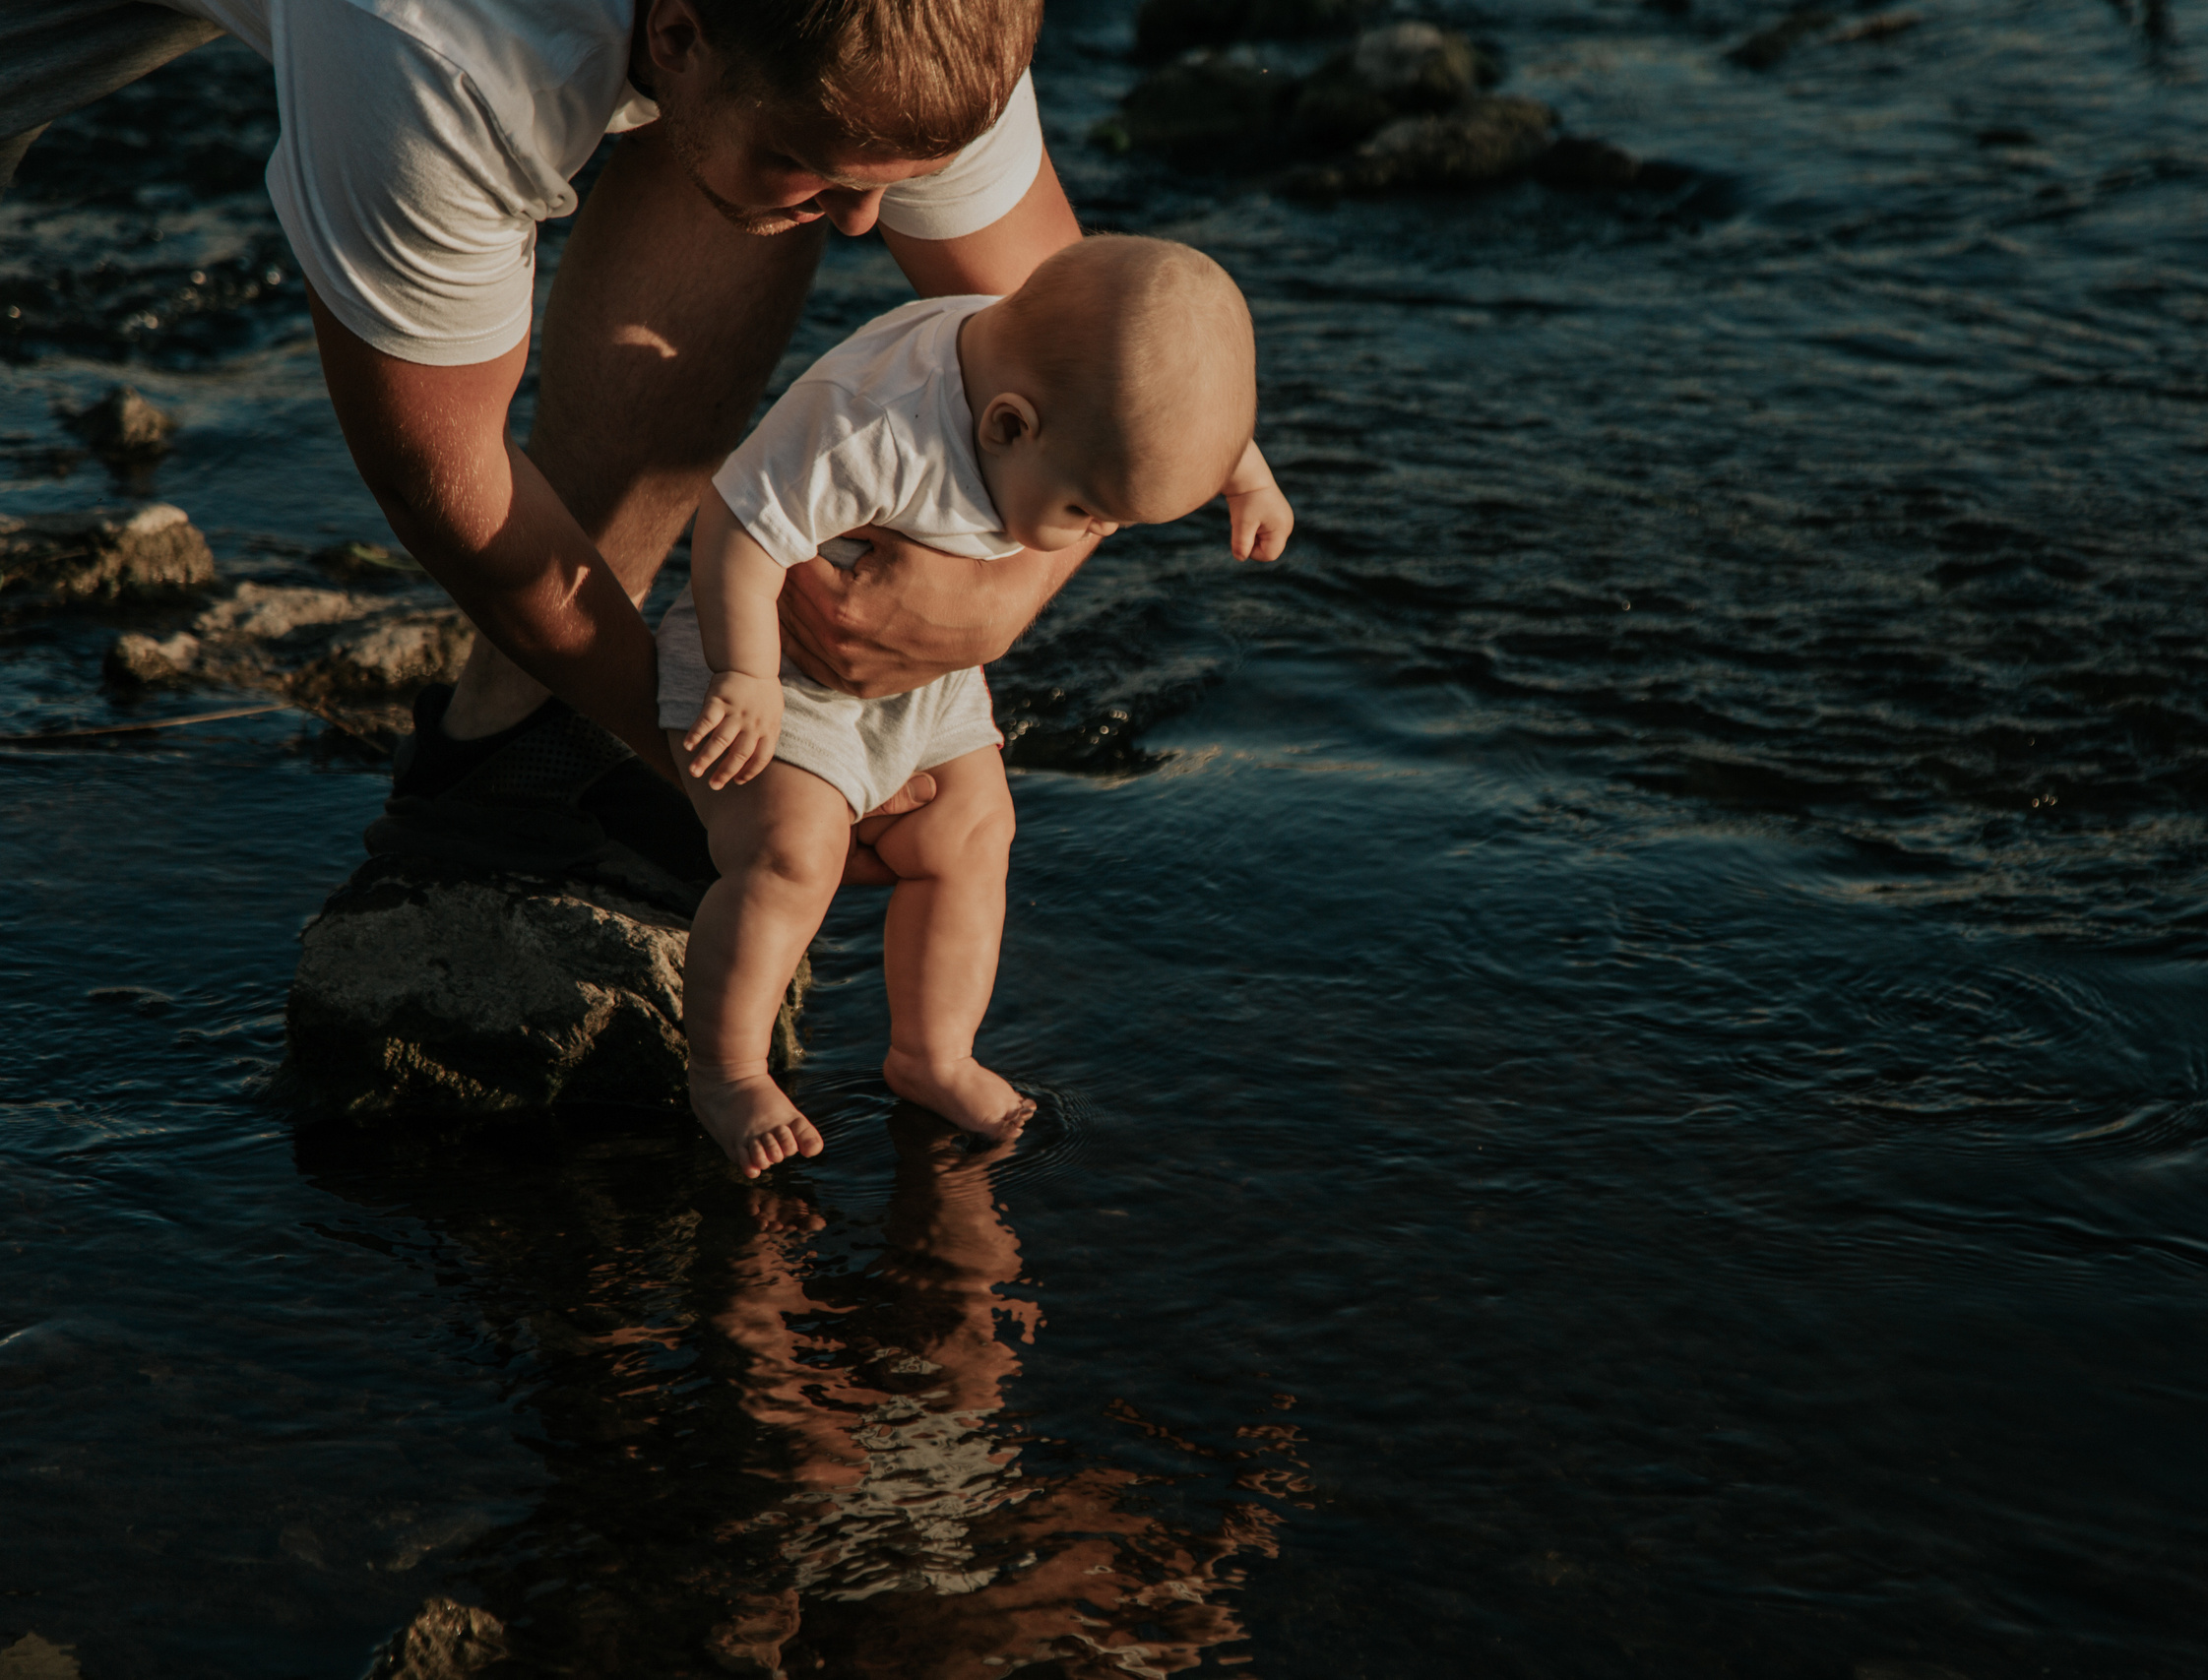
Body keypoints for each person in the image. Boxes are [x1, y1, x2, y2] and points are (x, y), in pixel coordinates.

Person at [0, 0, 1190, 893]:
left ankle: (519, 742)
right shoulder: (439, 51)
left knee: (753, 165)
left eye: (895, 182)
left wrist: (1001, 598)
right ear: (672, 33)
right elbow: (441, 475)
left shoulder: (909, 19)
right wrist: (718, 759)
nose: (869, 224)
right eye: (835, 176)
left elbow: (1081, 367)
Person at [665, 235, 1292, 1173]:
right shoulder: (874, 424)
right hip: (774, 653)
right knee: (794, 856)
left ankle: (930, 1053)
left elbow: (1188, 409)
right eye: (1086, 513)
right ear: (1006, 428)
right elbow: (737, 526)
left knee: (975, 832)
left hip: (924, 672)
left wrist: (1248, 476)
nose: (1098, 534)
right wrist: (746, 675)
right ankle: (728, 1070)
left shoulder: (1059, 390)